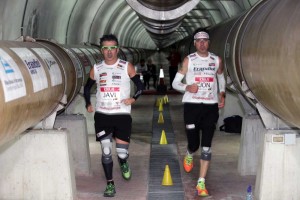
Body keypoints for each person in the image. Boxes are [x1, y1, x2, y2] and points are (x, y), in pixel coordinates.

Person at [83, 34, 144, 197]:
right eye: (105, 49)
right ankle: (110, 184)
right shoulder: (96, 68)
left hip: (122, 114)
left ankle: (123, 162)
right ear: (101, 51)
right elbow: (87, 87)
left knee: (121, 153)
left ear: (117, 49)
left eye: (112, 48)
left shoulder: (126, 66)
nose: (109, 52)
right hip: (103, 115)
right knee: (106, 151)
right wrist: (88, 103)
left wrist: (133, 98)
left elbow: (140, 85)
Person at [172, 30, 226, 197]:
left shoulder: (216, 60)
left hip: (210, 107)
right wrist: (187, 87)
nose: (202, 43)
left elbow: (221, 78)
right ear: (194, 43)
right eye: (199, 41)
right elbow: (175, 83)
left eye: (205, 40)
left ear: (209, 43)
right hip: (192, 106)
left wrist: (222, 93)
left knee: (207, 146)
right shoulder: (189, 60)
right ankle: (189, 153)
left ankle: (201, 182)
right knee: (194, 143)